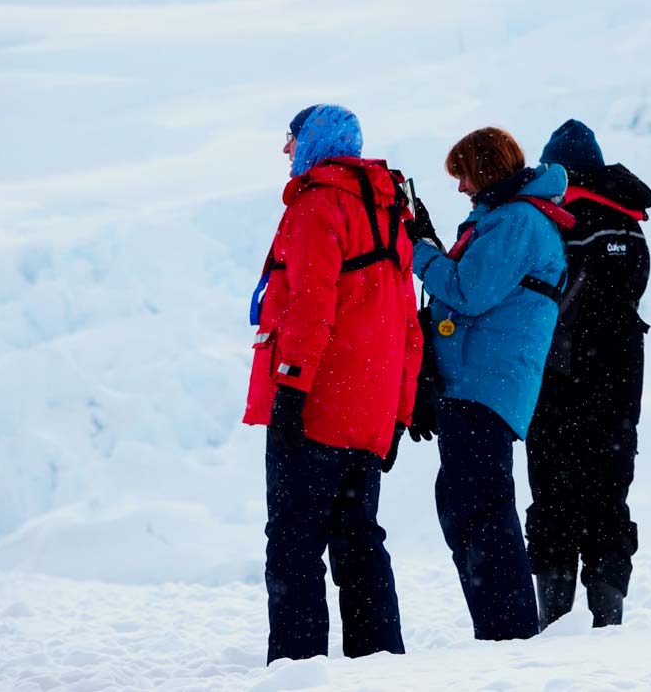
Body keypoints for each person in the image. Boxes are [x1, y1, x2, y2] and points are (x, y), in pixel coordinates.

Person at [243, 104, 423, 663]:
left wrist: (291, 389)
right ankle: (379, 663)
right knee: (359, 542)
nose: (286, 150)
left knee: (294, 544)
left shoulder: (316, 205)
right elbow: (406, 325)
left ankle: (298, 670)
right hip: (369, 413)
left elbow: (310, 305)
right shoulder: (392, 214)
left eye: (291, 138)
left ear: (314, 141)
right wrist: (398, 414)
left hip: (318, 402)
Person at [405, 127, 571, 641]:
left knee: (479, 509)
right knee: (464, 504)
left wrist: (418, 249)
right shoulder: (506, 220)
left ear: (488, 169)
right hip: (475, 384)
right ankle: (502, 626)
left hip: (486, 385)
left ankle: (509, 632)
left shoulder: (518, 221)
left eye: (464, 175)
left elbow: (466, 291)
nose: (460, 188)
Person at [525, 119, 651, 629]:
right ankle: (608, 618)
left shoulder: (551, 220)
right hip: (620, 382)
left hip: (557, 380)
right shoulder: (629, 221)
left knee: (553, 499)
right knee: (608, 498)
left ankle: (553, 621)